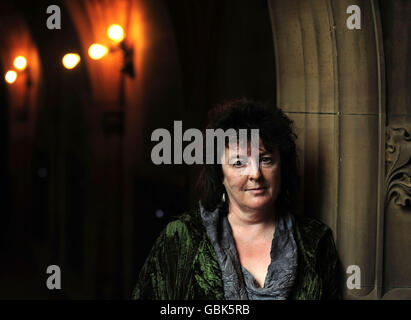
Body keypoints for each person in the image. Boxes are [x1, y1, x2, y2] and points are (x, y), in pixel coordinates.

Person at [132, 98, 342, 300]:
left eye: (266, 160)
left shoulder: (315, 242)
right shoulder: (183, 237)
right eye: (239, 163)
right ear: (220, 174)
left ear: (282, 167)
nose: (255, 174)